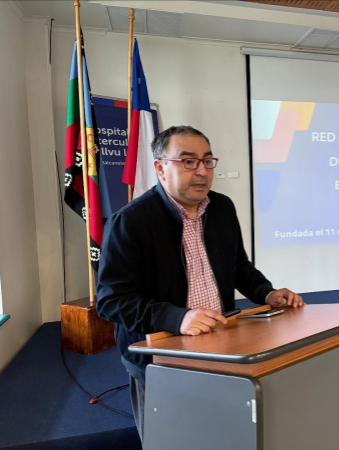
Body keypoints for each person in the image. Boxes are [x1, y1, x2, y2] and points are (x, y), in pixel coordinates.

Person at [96, 125, 304, 439]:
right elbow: (111, 301)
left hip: (222, 345)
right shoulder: (130, 221)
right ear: (160, 168)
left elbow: (238, 267)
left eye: (207, 161)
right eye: (188, 161)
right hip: (162, 358)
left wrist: (268, 293)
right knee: (173, 439)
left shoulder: (221, 208)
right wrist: (177, 317)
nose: (202, 171)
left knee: (224, 434)